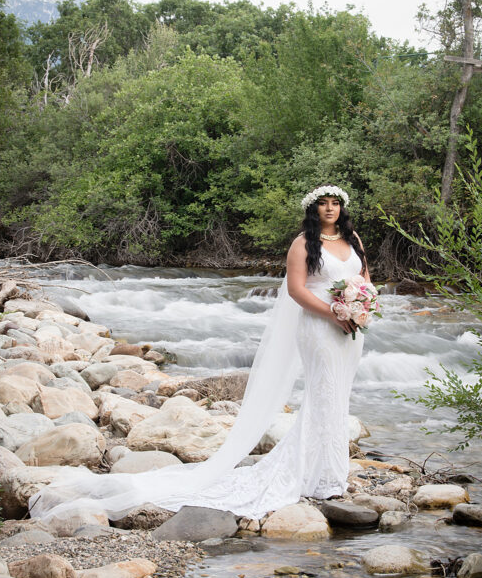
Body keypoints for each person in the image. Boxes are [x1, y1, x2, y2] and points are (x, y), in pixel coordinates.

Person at [29, 184, 372, 521]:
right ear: (313, 210)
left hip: (350, 329)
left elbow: (365, 280)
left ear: (342, 208)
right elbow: (297, 290)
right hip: (319, 326)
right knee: (322, 394)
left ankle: (327, 472)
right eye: (323, 203)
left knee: (338, 396)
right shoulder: (302, 244)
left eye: (335, 203)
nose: (330, 209)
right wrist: (333, 313)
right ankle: (321, 478)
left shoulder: (352, 241)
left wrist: (361, 308)